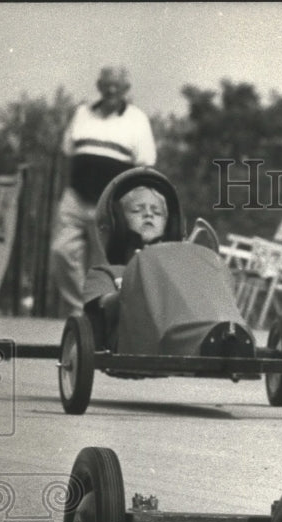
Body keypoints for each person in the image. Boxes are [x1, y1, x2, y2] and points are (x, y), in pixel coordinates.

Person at [50, 66, 157, 317]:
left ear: (125, 90)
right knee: (61, 252)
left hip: (111, 202)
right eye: (106, 84)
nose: (111, 90)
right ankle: (80, 309)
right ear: (99, 86)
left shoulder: (137, 119)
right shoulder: (82, 114)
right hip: (75, 197)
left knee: (104, 266)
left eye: (117, 86)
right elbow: (68, 153)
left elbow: (145, 165)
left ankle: (100, 316)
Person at [84, 167, 184, 349]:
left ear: (168, 225)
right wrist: (133, 289)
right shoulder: (105, 273)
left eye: (157, 212)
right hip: (127, 341)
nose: (149, 214)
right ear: (118, 221)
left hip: (176, 338)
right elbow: (101, 308)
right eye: (138, 210)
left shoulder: (176, 271)